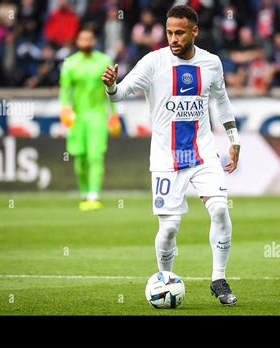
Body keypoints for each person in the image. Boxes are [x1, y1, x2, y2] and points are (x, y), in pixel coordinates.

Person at [102, 5, 241, 306]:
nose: (173, 38)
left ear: (194, 31)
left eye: (179, 32)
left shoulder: (212, 63)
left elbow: (222, 101)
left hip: (203, 152)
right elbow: (121, 93)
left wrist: (233, 138)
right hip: (166, 158)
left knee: (219, 210)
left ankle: (218, 278)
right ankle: (164, 280)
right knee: (169, 228)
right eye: (169, 32)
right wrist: (112, 85)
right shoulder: (153, 62)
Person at [60, 29, 118, 211]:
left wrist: (114, 115)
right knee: (79, 157)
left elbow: (111, 88)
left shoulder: (104, 61)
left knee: (96, 155)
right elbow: (65, 90)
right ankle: (85, 193)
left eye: (89, 39)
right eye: (82, 39)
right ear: (77, 41)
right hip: (77, 117)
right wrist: (64, 109)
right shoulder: (71, 63)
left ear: (94, 41)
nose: (86, 42)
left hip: (98, 115)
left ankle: (94, 194)